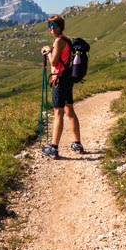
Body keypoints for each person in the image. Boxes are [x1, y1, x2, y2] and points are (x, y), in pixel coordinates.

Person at [40, 14, 83, 159]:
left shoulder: (59, 41)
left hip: (59, 79)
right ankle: (77, 144)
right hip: (67, 79)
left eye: (54, 26)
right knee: (69, 110)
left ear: (60, 27)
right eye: (49, 26)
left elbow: (53, 62)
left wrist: (47, 51)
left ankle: (54, 148)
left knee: (58, 113)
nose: (51, 28)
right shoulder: (66, 39)